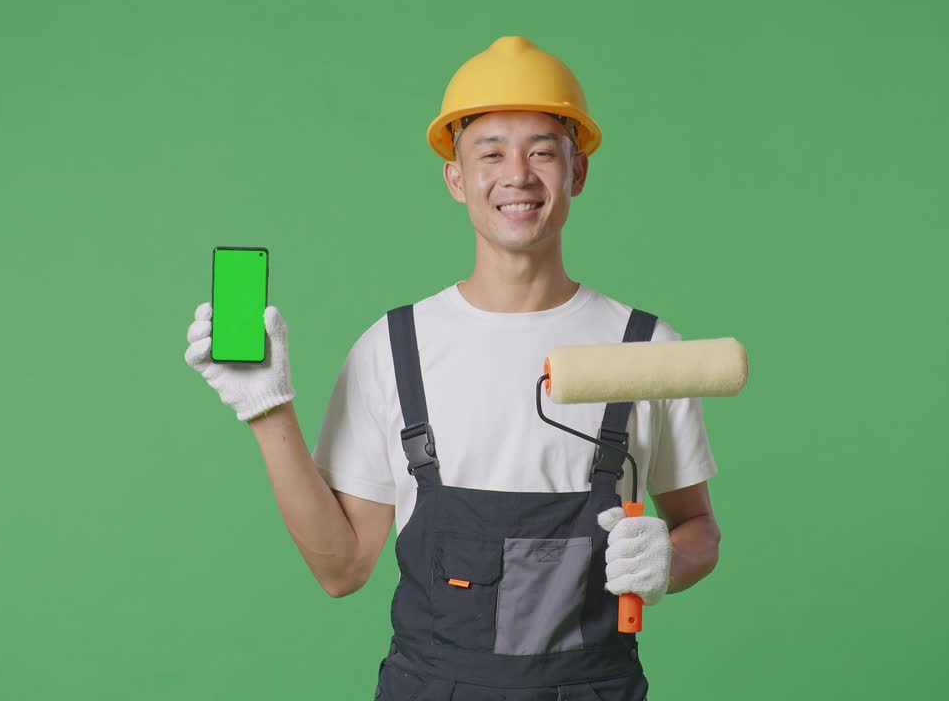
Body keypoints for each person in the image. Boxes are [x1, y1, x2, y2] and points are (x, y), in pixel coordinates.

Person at [185, 36, 721, 701]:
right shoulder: (395, 347)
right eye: (490, 151)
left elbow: (701, 527)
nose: (517, 175)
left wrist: (672, 558)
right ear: (457, 176)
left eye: (543, 150)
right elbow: (342, 568)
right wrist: (266, 411)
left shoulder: (645, 351)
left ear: (577, 172)